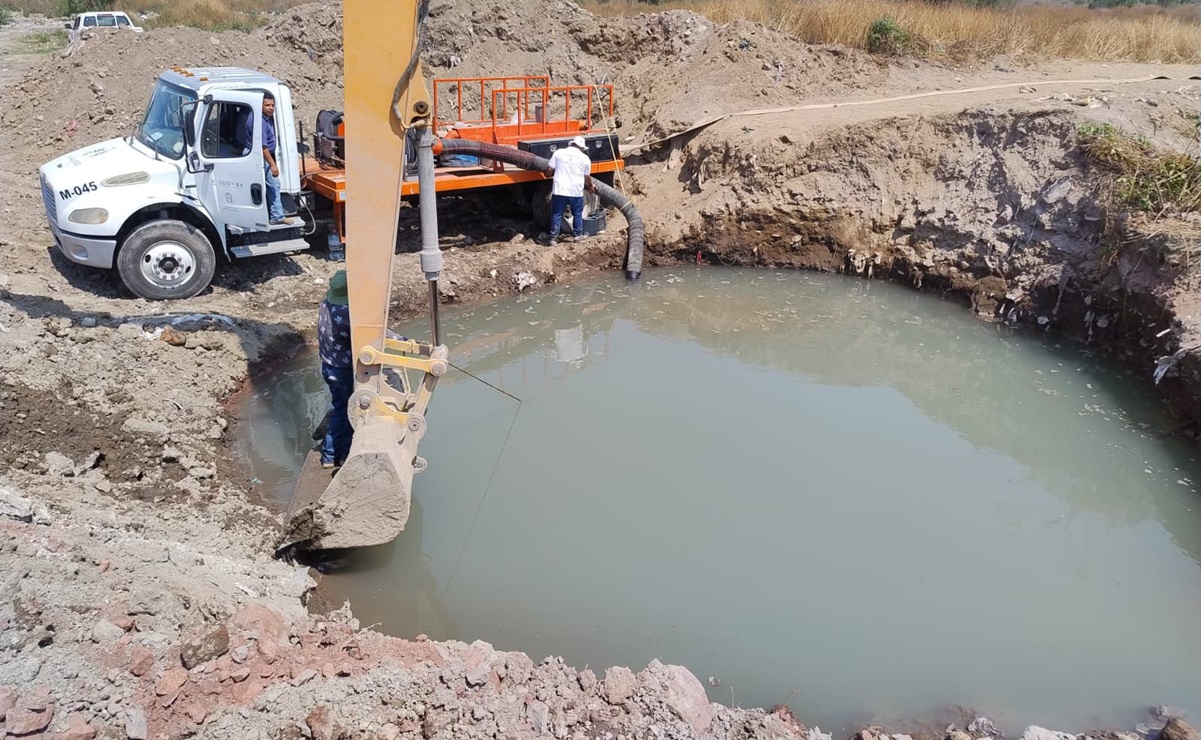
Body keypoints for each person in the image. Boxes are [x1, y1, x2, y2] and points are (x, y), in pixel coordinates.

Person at [318, 270, 353, 468]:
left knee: (339, 410)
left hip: (327, 367)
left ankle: (329, 456)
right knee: (351, 412)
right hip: (343, 370)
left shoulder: (325, 305)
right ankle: (345, 456)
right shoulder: (346, 313)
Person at [245, 91, 295, 226]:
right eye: (267, 105)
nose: (271, 108)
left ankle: (275, 215)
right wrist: (273, 164)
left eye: (272, 105)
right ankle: (276, 216)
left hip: (261, 155)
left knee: (272, 184)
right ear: (259, 105)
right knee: (273, 184)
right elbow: (263, 147)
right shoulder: (259, 122)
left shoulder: (261, 117)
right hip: (262, 156)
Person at [542, 135, 596, 245]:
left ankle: (553, 238)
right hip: (575, 191)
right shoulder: (585, 158)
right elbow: (587, 177)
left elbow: (549, 169)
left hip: (559, 190)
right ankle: (577, 236)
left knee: (556, 214)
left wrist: (547, 175)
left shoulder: (559, 153)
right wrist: (590, 186)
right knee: (577, 213)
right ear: (581, 148)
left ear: (572, 144)